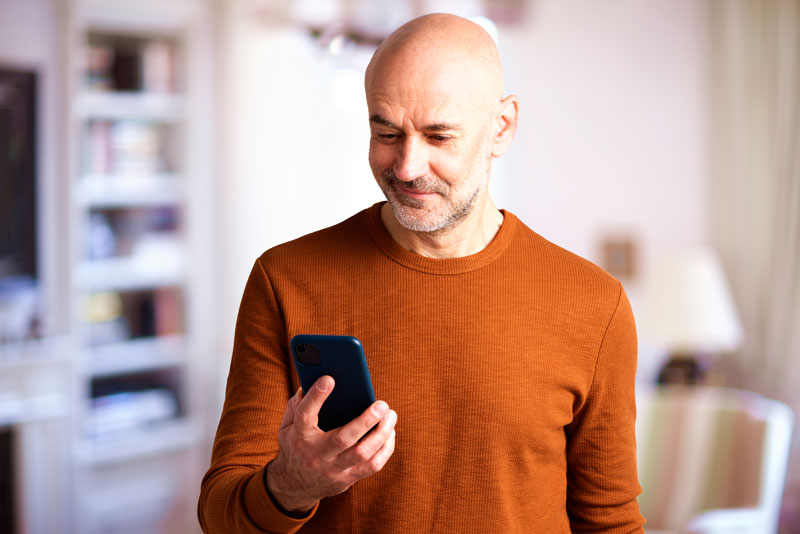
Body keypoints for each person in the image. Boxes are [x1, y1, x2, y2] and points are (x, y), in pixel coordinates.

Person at [199, 13, 645, 534]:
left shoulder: (592, 304)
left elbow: (609, 522)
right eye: (387, 132)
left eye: (439, 137)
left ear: (501, 127)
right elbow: (221, 516)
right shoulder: (285, 280)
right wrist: (293, 484)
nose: (407, 166)